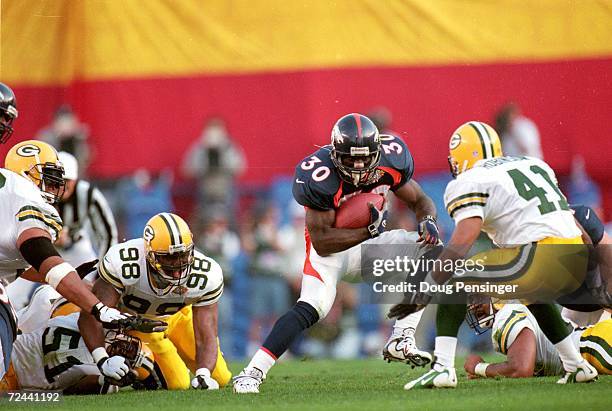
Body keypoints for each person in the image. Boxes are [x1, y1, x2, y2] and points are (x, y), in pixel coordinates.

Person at [233, 113, 441, 393]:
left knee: (431, 250)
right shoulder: (318, 174)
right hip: (330, 253)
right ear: (334, 153)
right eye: (349, 158)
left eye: (364, 158)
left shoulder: (391, 161)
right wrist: (368, 231)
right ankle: (252, 372)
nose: (357, 166)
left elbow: (420, 200)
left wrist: (428, 221)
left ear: (377, 152)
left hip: (368, 248)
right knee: (313, 306)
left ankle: (402, 338)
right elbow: (322, 241)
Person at [389, 121, 598, 389]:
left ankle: (442, 367)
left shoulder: (469, 181)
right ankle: (576, 365)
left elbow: (463, 241)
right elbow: (572, 221)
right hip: (576, 256)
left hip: (543, 254)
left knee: (457, 279)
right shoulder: (532, 165)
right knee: (531, 293)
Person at [0, 139, 129, 382]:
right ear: (26, 174)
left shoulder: (7, 193)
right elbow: (43, 258)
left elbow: (22, 264)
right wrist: (97, 308)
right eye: (47, 175)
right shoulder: (25, 196)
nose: (55, 185)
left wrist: (77, 277)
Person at [78, 212, 232, 390]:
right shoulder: (125, 263)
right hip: (140, 324)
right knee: (178, 383)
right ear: (149, 253)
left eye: (183, 255)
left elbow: (207, 335)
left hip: (180, 317)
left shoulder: (206, 274)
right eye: (169, 257)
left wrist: (203, 374)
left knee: (219, 378)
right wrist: (102, 359)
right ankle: (141, 372)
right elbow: (92, 314)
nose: (177, 265)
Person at [6, 151, 118, 310]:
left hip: (75, 247)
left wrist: (104, 271)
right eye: (56, 180)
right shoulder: (30, 192)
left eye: (66, 181)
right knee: (15, 294)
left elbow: (107, 234)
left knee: (92, 288)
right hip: (34, 248)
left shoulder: (88, 194)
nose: (60, 186)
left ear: (76, 180)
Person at [0, 311, 156, 393]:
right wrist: (127, 318)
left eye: (129, 357)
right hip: (8, 349)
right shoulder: (93, 324)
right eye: (132, 347)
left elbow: (77, 387)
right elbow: (90, 313)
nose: (124, 350)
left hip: (10, 383)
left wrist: (109, 380)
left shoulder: (102, 378)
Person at [464, 302, 611, 378]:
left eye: (478, 296)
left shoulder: (506, 313)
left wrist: (478, 368)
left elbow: (521, 369)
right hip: (597, 342)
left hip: (596, 347)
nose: (473, 305)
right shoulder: (513, 308)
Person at [181, 117, 246, 211]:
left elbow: (240, 169)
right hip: (204, 189)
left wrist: (223, 152)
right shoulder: (199, 147)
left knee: (228, 217)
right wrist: (204, 153)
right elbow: (187, 170)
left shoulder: (231, 147)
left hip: (226, 189)